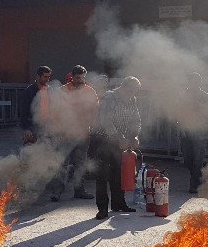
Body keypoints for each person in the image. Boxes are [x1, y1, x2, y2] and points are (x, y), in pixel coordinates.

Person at [90, 76, 142, 220]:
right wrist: (119, 138)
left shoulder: (132, 99)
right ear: (124, 87)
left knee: (119, 173)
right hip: (102, 140)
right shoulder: (109, 98)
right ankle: (102, 208)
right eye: (132, 91)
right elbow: (106, 121)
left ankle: (119, 203)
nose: (134, 94)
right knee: (102, 176)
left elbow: (136, 119)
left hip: (121, 140)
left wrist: (135, 136)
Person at [51, 65, 97, 201]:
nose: (80, 80)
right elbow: (56, 111)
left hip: (83, 133)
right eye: (78, 78)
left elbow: (95, 110)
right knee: (62, 163)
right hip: (66, 133)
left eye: (82, 77)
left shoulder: (90, 91)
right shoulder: (63, 90)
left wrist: (91, 127)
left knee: (80, 163)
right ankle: (57, 191)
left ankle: (79, 190)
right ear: (72, 77)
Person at [178, 72, 208, 194]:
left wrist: (198, 104)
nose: (193, 84)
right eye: (191, 81)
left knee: (197, 160)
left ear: (199, 83)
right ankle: (199, 177)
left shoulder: (206, 96)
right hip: (186, 131)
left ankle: (194, 185)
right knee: (188, 159)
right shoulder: (183, 95)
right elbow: (178, 112)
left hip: (201, 132)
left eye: (196, 82)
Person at [19, 66, 52, 144]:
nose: (47, 79)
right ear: (38, 76)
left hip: (47, 127)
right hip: (33, 127)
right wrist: (26, 128)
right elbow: (24, 111)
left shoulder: (50, 90)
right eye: (45, 77)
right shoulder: (29, 91)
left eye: (49, 77)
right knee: (31, 152)